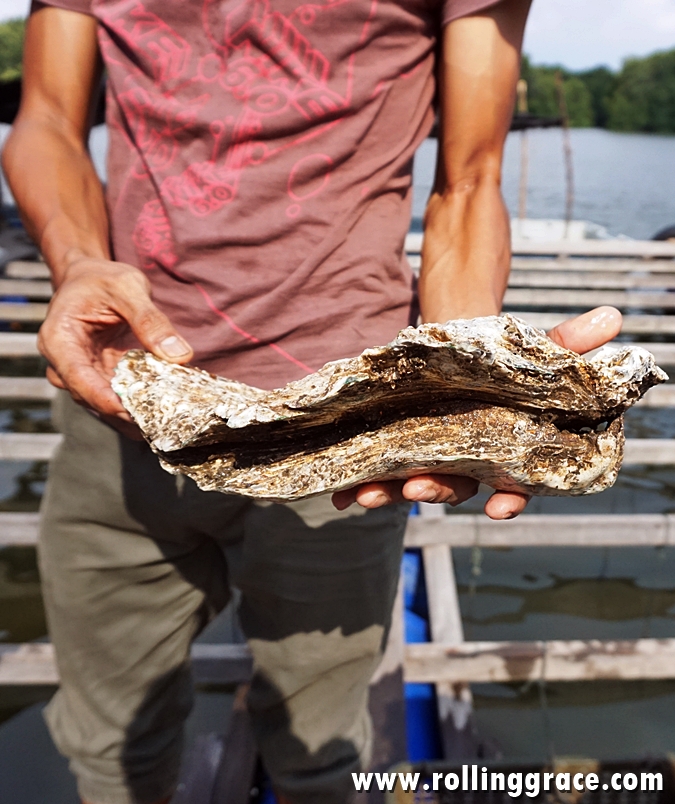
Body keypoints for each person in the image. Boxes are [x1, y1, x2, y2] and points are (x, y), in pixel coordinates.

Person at [2, 0, 622, 801]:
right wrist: (77, 262)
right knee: (111, 747)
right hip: (124, 402)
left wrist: (466, 369)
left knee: (319, 752)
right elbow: (48, 120)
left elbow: (470, 176)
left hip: (344, 424)